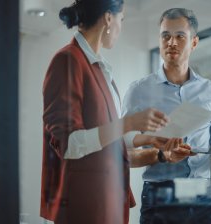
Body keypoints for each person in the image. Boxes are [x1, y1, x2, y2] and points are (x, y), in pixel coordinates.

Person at [39, 1, 188, 224]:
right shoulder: (68, 61)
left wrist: (151, 141)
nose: (121, 27)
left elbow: (109, 142)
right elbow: (69, 144)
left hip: (107, 203)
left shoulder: (99, 68)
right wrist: (128, 123)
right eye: (121, 19)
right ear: (109, 19)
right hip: (85, 207)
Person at [122, 8, 211, 224]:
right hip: (161, 197)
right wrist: (161, 154)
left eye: (180, 36)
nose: (171, 42)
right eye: (165, 36)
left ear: (194, 43)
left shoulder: (210, 91)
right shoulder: (139, 91)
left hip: (203, 196)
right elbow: (122, 155)